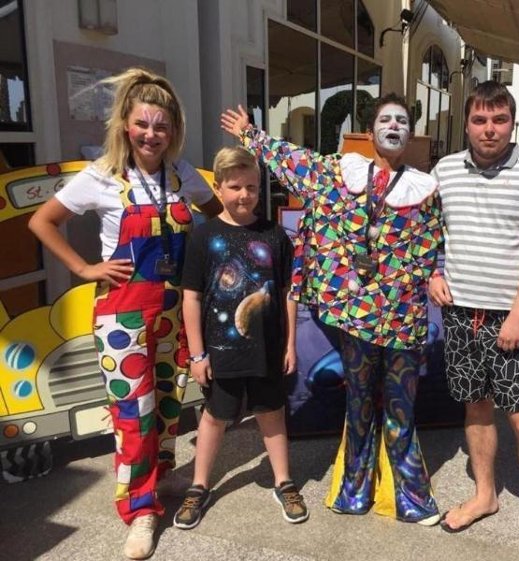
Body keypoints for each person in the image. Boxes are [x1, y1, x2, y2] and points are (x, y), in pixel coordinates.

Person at [220, 93, 442, 525]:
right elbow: (292, 159)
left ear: (410, 134)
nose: (393, 127)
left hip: (402, 316)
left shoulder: (426, 190)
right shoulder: (338, 173)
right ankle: (354, 489)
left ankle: (410, 497)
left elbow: (435, 244)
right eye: (385, 120)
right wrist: (249, 134)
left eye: (401, 121)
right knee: (358, 401)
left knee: (401, 405)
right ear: (370, 132)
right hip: (356, 315)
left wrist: (434, 274)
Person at [28, 67, 222, 559]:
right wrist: (84, 268)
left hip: (173, 313)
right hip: (122, 316)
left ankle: (159, 478)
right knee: (133, 414)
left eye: (161, 126)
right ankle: (139, 511)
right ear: (124, 125)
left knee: (168, 404)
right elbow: (43, 221)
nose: (151, 135)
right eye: (142, 124)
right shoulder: (100, 176)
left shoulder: (183, 175)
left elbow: (218, 213)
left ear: (173, 130)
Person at [429, 80, 519, 559]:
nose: (489, 129)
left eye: (499, 120)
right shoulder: (445, 170)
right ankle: (485, 494)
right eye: (480, 120)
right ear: (466, 124)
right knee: (476, 407)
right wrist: (432, 271)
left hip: (510, 319)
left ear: (512, 123)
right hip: (460, 312)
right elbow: (427, 230)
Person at [173, 146, 307, 530]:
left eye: (251, 187)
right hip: (221, 352)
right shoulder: (203, 237)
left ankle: (284, 481)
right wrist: (197, 355)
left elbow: (288, 293)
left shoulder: (275, 235)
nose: (244, 195)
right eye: (235, 187)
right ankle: (199, 485)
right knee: (215, 416)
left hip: (267, 349)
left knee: (272, 413)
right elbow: (191, 298)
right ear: (218, 188)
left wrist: (290, 344)